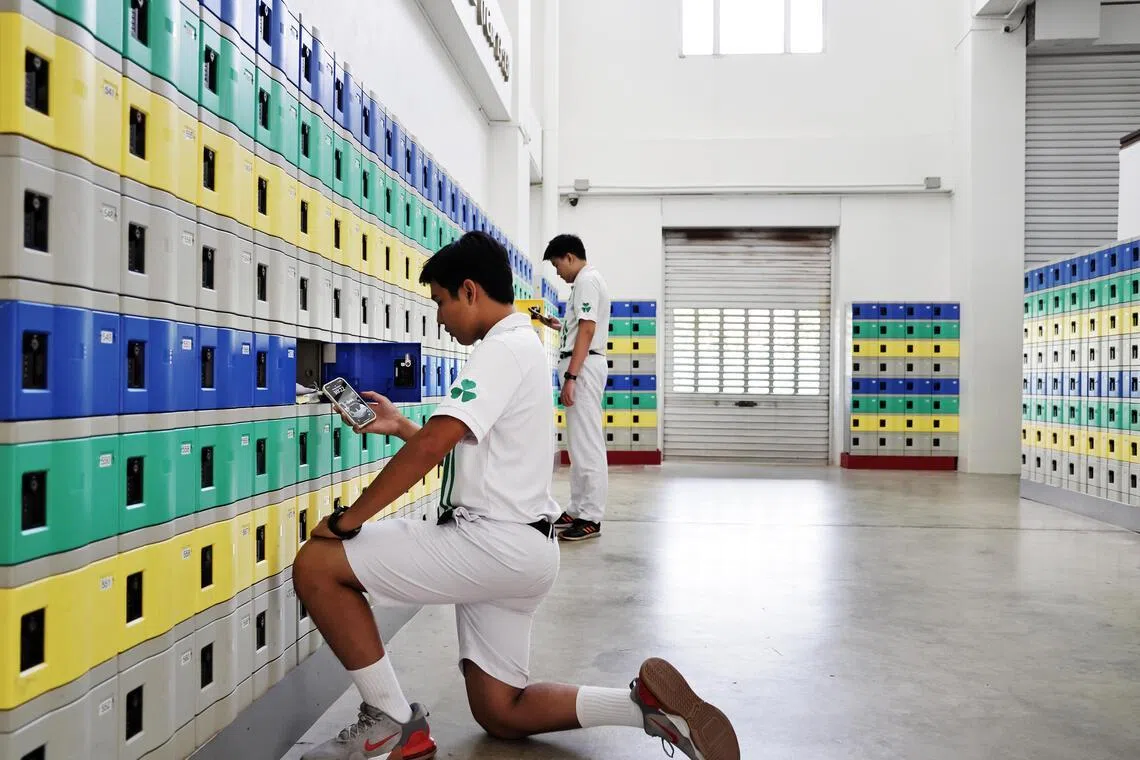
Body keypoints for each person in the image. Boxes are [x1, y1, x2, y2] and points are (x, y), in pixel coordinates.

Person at [291, 232, 739, 760]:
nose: (439, 318)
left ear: (470, 291)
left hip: (490, 545)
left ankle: (389, 719)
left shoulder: (502, 346)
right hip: (524, 551)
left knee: (317, 565)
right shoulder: (521, 344)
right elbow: (471, 451)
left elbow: (440, 443)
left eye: (440, 301)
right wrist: (399, 426)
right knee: (500, 712)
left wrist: (349, 522)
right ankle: (644, 707)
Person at [531, 233, 610, 541]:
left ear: (569, 257)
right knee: (579, 442)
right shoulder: (583, 284)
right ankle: (578, 507)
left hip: (584, 366)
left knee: (587, 442)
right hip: (582, 363)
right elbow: (579, 326)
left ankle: (591, 516)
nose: (557, 272)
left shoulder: (588, 281)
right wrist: (553, 322)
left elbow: (588, 330)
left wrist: (572, 377)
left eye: (556, 264)